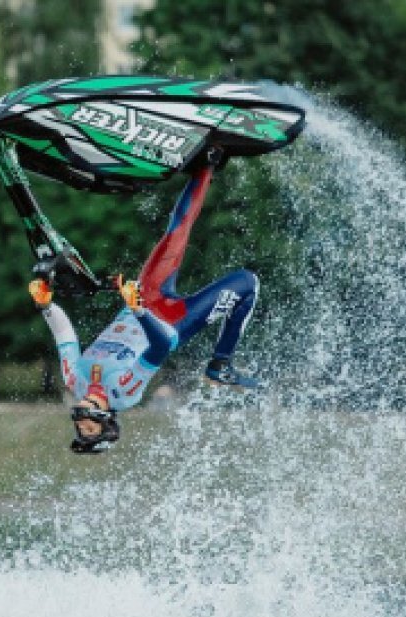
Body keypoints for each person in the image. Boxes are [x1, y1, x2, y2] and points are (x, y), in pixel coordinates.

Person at [30, 164, 260, 453]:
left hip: (145, 297)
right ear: (106, 421)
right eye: (88, 427)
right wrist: (138, 311)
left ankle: (208, 162)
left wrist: (46, 305)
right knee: (246, 282)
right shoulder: (123, 393)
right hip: (173, 321)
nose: (79, 420)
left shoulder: (74, 381)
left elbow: (63, 332)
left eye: (79, 427)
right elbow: (160, 347)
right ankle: (221, 364)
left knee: (178, 228)